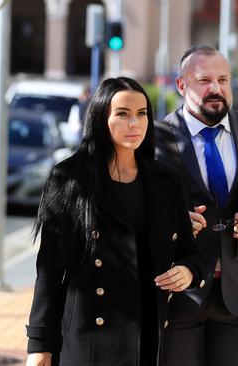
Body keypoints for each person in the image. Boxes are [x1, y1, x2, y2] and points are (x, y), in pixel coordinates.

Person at [25, 77, 203, 366]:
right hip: (87, 338)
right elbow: (48, 271)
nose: (134, 124)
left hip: (146, 334)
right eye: (122, 114)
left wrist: (187, 270)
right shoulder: (69, 178)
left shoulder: (165, 181)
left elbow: (189, 250)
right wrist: (39, 345)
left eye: (142, 114)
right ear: (100, 118)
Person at [154, 45, 238, 366]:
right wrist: (170, 224)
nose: (216, 88)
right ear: (182, 86)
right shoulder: (154, 141)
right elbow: (135, 211)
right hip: (178, 295)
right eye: (204, 80)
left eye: (223, 79)